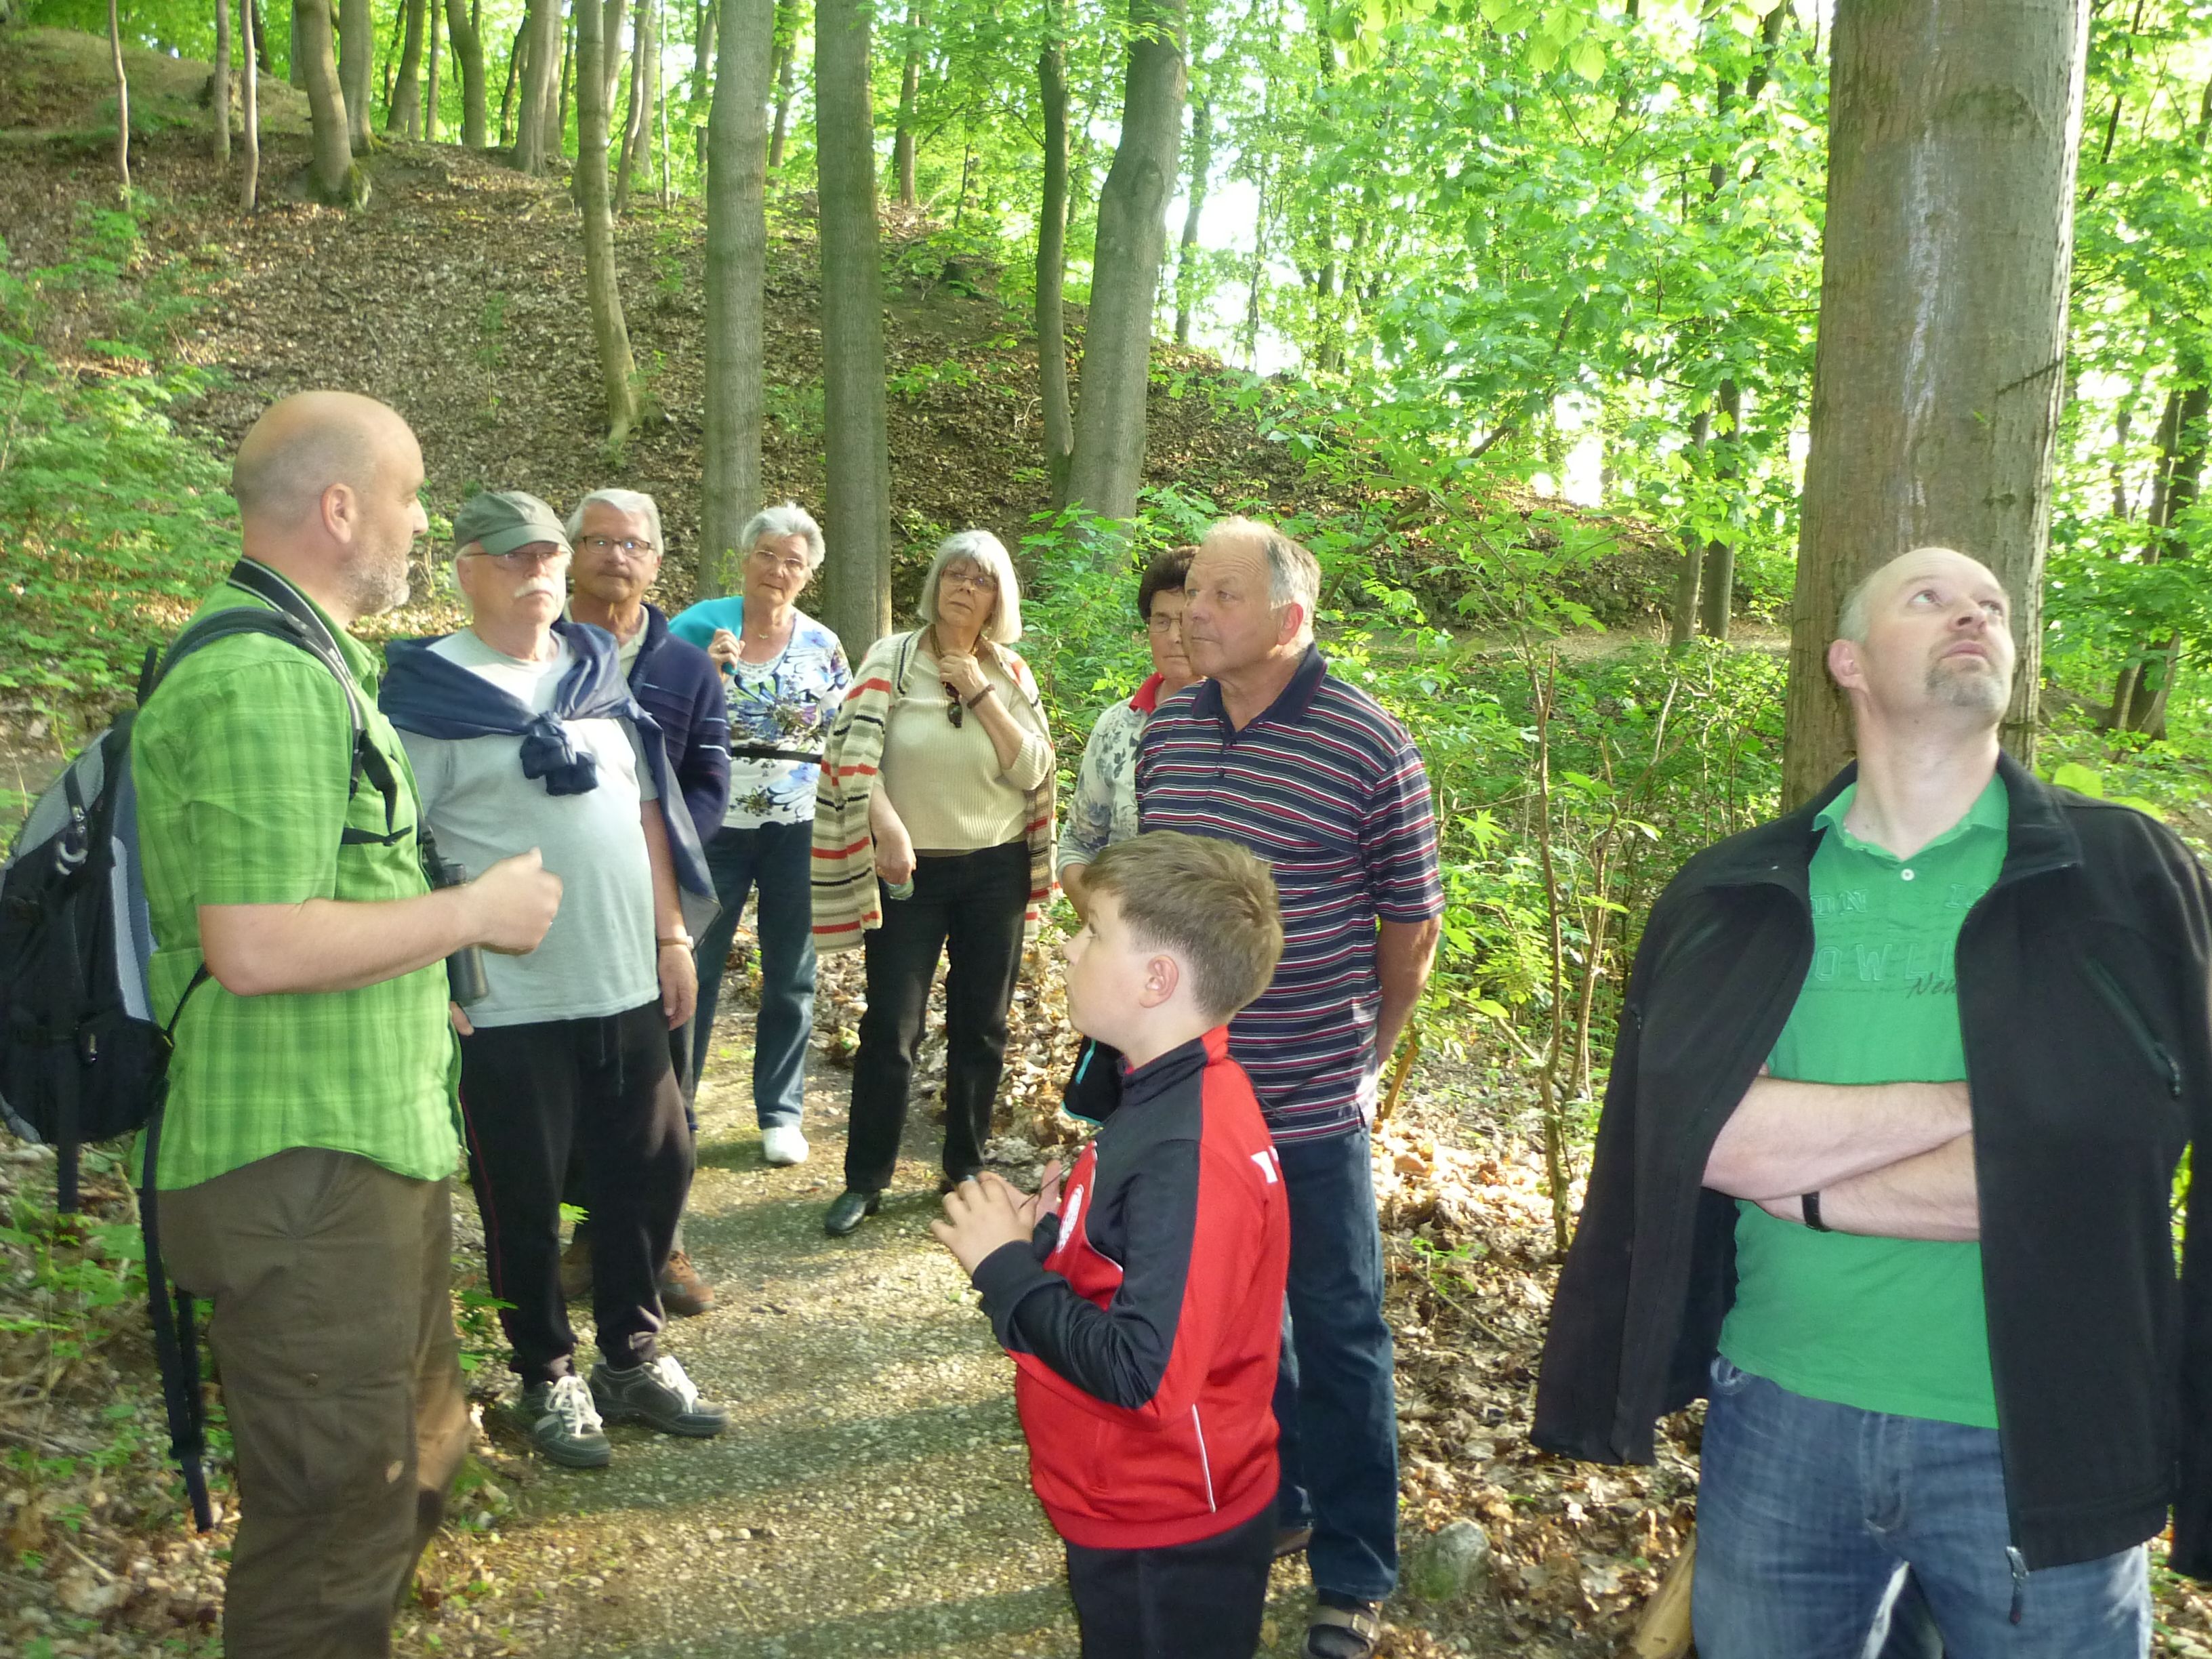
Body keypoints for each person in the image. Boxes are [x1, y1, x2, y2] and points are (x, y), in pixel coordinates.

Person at [1534, 546, 2212, 1657]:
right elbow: (1699, 1134)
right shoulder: (1738, 888)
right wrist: (1981, 1104)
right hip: (1777, 1417)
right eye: (1928, 598)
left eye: (1991, 605)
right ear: (1844, 660)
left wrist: (1808, 1191)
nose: (1972, 616)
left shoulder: (2122, 875)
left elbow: (2099, 1159)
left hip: (2037, 1436)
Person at [134, 392, 562, 1657]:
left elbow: (327, 897)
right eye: (409, 497)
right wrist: (470, 913)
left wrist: (419, 978)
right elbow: (257, 942)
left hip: (359, 1153)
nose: (421, 524)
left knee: (411, 1464)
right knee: (334, 1523)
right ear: (337, 508)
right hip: (299, 1170)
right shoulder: (264, 680)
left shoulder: (314, 660)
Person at [1135, 517, 1443, 1659]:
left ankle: (1354, 1570)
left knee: (1340, 1327)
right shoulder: (1170, 730)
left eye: (1221, 593)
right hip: (1188, 1094)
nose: (1193, 610)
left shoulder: (1369, 745)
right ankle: (1280, 1496)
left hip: (1309, 1099)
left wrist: (1364, 1055)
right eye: (1192, 590)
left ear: (1288, 618)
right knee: (1228, 1316)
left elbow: (1409, 928)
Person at [380, 490, 728, 1470]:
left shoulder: (592, 671)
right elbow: (398, 849)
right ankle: (546, 1372)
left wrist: (672, 936)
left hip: (623, 980)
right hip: (509, 1001)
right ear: (467, 569)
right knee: (523, 1200)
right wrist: (432, 971)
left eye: (544, 554)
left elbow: (650, 811)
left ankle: (631, 1356)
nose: (535, 570)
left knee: (652, 1170)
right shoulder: (428, 694)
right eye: (512, 556)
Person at [932, 831, 1291, 1659]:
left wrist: (1004, 1270)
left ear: (1156, 981)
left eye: (1093, 932)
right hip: (1130, 1498)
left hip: (1166, 1523)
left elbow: (1145, 1377)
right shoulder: (1169, 1092)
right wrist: (1049, 1236)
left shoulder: (1189, 1149)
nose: (1068, 947)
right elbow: (1136, 1265)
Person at [813, 529, 1057, 1237]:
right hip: (908, 871)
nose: (963, 588)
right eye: (955, 574)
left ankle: (966, 1167)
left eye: (981, 580)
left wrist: (978, 691)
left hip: (996, 870)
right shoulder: (890, 659)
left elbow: (1033, 771)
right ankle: (866, 1179)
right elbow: (850, 755)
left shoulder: (1008, 671)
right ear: (936, 584)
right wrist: (886, 826)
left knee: (982, 1025)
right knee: (891, 1027)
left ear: (998, 600)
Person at [563, 485, 729, 1316]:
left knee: (665, 1070)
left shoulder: (686, 667)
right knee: (575, 1069)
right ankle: (592, 1233)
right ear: (571, 554)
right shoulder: (538, 651)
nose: (615, 556)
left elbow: (709, 777)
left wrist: (654, 855)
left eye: (632, 544)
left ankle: (663, 1239)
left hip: (658, 906)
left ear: (657, 561)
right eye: (598, 541)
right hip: (558, 902)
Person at [668, 504, 851, 1170]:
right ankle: (677, 1108)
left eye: (792, 562)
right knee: (694, 966)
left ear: (808, 575)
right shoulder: (698, 630)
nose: (777, 570)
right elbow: (661, 720)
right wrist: (709, 673)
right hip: (713, 823)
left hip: (799, 826)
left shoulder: (824, 644)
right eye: (767, 555)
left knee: (791, 973)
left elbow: (845, 736)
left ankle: (780, 1112)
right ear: (745, 560)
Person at [1057, 544, 1199, 922]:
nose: (1175, 636)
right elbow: (1079, 843)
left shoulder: (1245, 724)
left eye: (1187, 620)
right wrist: (1105, 926)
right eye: (1161, 621)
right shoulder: (1117, 726)